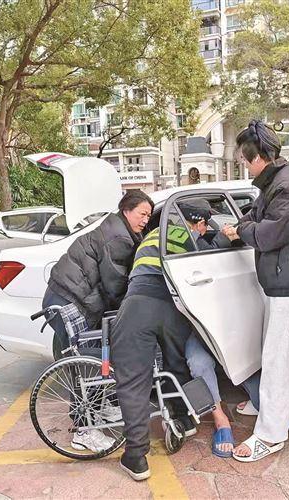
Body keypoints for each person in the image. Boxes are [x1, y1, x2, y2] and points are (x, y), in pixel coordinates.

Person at [221, 120, 289, 463]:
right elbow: (257, 217)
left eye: (243, 160)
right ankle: (268, 406)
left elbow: (271, 234)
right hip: (280, 281)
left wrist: (242, 231)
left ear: (257, 158)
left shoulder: (285, 185)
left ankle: (270, 434)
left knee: (280, 361)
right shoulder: (274, 182)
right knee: (273, 353)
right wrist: (239, 226)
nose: (243, 165)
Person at [111, 198, 230, 481]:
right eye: (205, 225)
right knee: (175, 365)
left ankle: (136, 457)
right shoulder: (187, 235)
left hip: (139, 304)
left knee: (134, 381)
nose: (204, 230)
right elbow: (208, 261)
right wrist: (224, 239)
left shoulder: (157, 233)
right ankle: (184, 420)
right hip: (172, 311)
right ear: (198, 223)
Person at [41, 189, 153, 453]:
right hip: (67, 302)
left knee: (95, 356)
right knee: (85, 365)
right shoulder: (118, 238)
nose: (146, 220)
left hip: (69, 297)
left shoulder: (119, 229)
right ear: (126, 210)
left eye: (149, 215)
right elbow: (116, 286)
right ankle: (83, 431)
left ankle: (98, 409)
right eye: (142, 214)